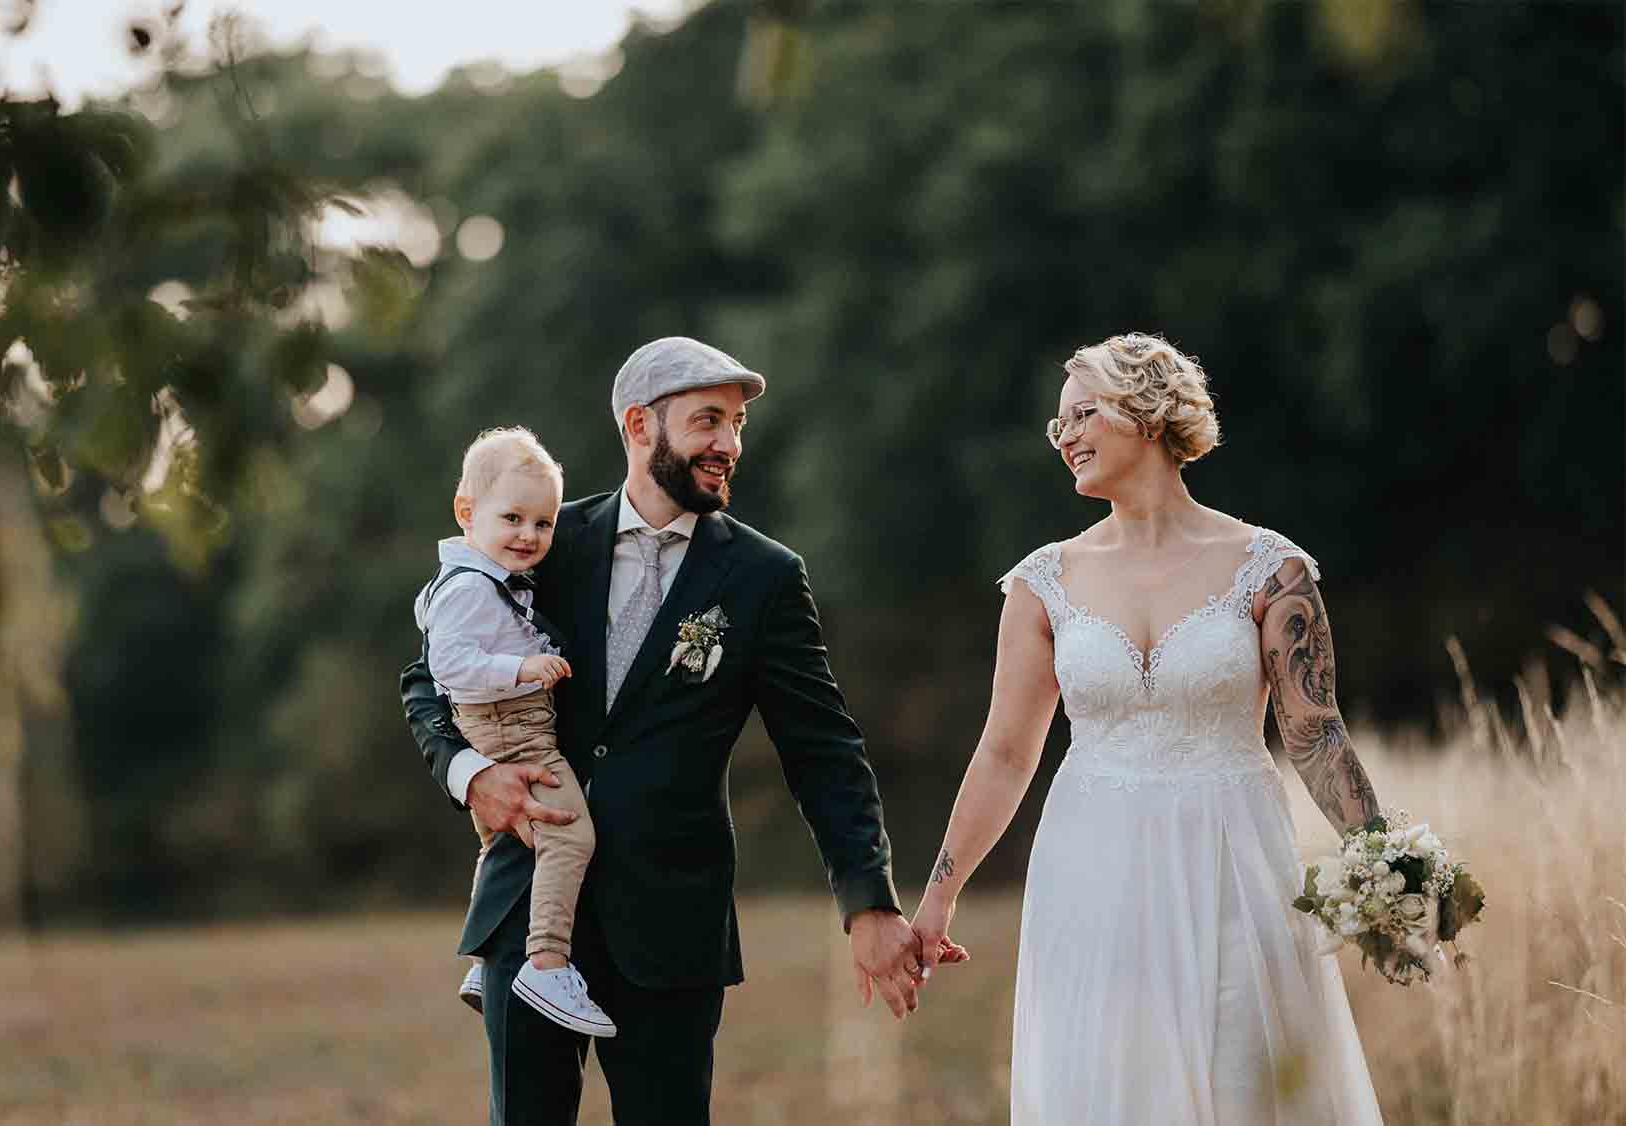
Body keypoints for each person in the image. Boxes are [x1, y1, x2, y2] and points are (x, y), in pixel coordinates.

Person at [400, 337, 942, 1126]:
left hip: (672, 925)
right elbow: (429, 674)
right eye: (708, 421)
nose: (730, 444)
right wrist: (470, 775)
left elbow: (823, 749)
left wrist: (868, 902)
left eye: (737, 424)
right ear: (639, 426)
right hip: (528, 906)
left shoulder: (763, 577)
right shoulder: (541, 538)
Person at [911, 332, 1384, 1124]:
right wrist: (937, 901)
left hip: (1233, 865)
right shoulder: (1042, 582)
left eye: (1083, 414)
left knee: (1245, 1082)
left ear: (1149, 412)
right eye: (1057, 423)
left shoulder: (1272, 569)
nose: (1064, 436)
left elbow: (1316, 733)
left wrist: (1384, 858)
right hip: (1093, 872)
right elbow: (1005, 753)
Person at [412, 425, 613, 1038]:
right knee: (570, 835)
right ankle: (547, 963)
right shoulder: (471, 588)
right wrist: (521, 668)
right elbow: (445, 665)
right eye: (513, 519)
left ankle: (483, 958)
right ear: (466, 512)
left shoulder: (483, 576)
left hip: (499, 725)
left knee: (500, 844)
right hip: (512, 729)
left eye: (543, 523)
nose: (529, 535)